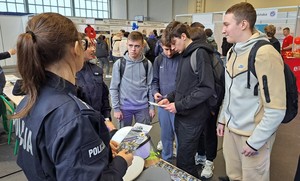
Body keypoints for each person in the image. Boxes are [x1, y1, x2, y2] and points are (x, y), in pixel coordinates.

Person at [14, 12, 133, 181]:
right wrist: (121, 162)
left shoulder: (27, 102)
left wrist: (101, 148)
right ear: (77, 48)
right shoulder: (74, 117)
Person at [217, 2, 286, 181]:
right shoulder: (232, 52)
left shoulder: (265, 54)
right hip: (231, 132)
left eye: (226, 24)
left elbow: (277, 108)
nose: (223, 30)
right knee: (234, 176)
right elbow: (230, 93)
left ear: (243, 24)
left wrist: (255, 142)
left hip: (252, 136)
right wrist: (222, 119)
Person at [159, 22, 215, 178]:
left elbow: (206, 88)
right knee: (184, 158)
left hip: (193, 117)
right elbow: (182, 86)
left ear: (183, 36)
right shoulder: (184, 54)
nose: (173, 48)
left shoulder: (199, 54)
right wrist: (169, 98)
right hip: (183, 115)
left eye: (174, 43)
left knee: (184, 161)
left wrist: (178, 105)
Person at [110, 31, 155, 128]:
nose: (133, 49)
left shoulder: (147, 64)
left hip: (143, 107)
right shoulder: (119, 64)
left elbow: (150, 86)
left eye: (137, 46)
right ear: (126, 45)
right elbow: (114, 88)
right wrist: (116, 108)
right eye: (130, 45)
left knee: (142, 138)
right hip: (124, 108)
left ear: (142, 46)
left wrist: (151, 107)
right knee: (123, 139)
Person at [76, 33, 115, 132]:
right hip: (81, 129)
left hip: (100, 125)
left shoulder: (96, 70)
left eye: (93, 45)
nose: (93, 49)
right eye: (89, 46)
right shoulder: (69, 74)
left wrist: (107, 118)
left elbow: (104, 98)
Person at [151, 32, 180, 162]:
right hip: (162, 104)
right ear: (161, 46)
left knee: (179, 136)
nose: (169, 53)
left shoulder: (181, 58)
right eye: (166, 49)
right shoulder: (159, 60)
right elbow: (154, 80)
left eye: (171, 49)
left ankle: (181, 162)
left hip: (178, 105)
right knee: (165, 135)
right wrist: (155, 91)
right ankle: (166, 160)